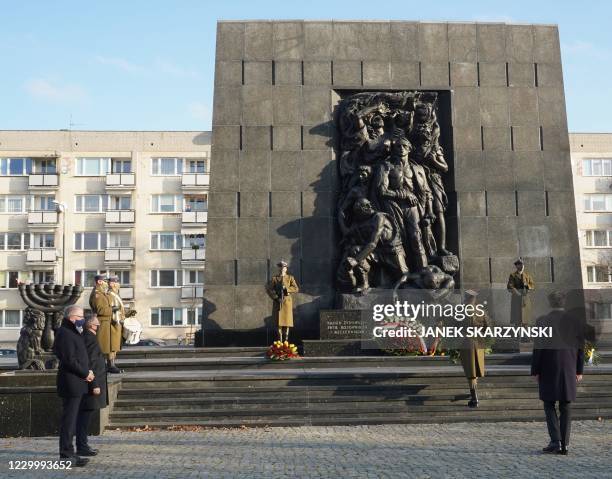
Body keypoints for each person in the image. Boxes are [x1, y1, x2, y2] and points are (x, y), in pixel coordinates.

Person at [531, 291, 585, 455]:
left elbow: (538, 348)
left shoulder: (542, 321)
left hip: (548, 367)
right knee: (566, 405)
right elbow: (581, 348)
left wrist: (536, 370)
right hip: (569, 366)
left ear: (550, 303)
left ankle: (556, 441)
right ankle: (565, 444)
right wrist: (579, 370)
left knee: (549, 404)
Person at [52, 305, 94, 467]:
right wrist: (85, 373)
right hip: (71, 382)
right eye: (80, 317)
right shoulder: (65, 333)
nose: (83, 320)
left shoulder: (73, 332)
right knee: (69, 420)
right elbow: (70, 359)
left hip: (77, 382)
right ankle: (67, 454)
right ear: (71, 317)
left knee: (72, 419)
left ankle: (71, 452)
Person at [76, 313, 108, 457]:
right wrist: (94, 384)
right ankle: (82, 446)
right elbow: (91, 363)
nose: (99, 326)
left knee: (85, 416)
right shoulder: (89, 338)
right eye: (97, 324)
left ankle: (83, 445)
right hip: (90, 384)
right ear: (90, 325)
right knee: (84, 417)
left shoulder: (89, 337)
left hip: (89, 383)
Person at [459, 290, 489, 408]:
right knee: (474, 371)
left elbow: (457, 326)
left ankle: (474, 398)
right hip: (479, 342)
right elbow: (487, 327)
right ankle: (473, 393)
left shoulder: (463, 310)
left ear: (467, 298)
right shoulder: (480, 311)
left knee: (471, 372)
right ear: (475, 299)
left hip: (468, 342)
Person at [89, 275, 120, 373]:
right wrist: (112, 309)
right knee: (104, 346)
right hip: (103, 323)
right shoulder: (97, 294)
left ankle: (110, 365)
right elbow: (100, 310)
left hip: (108, 322)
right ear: (99, 282)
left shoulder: (102, 294)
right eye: (105, 281)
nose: (107, 284)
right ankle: (106, 366)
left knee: (110, 346)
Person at [265, 261, 299, 342]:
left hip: (287, 302)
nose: (282, 269)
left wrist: (287, 289)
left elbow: (296, 288)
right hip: (278, 302)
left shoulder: (290, 278)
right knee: (279, 323)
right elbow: (269, 289)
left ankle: (286, 342)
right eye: (280, 267)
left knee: (287, 323)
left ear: (286, 269)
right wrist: (276, 297)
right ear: (278, 268)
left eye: (283, 267)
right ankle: (279, 342)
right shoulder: (275, 278)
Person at [507, 258, 535, 327]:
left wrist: (527, 285)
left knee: (526, 320)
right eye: (519, 264)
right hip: (517, 299)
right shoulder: (513, 275)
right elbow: (510, 286)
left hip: (525, 299)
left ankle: (527, 337)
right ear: (516, 266)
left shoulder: (527, 275)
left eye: (522, 264)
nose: (522, 266)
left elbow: (532, 286)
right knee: (517, 320)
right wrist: (517, 293)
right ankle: (518, 337)